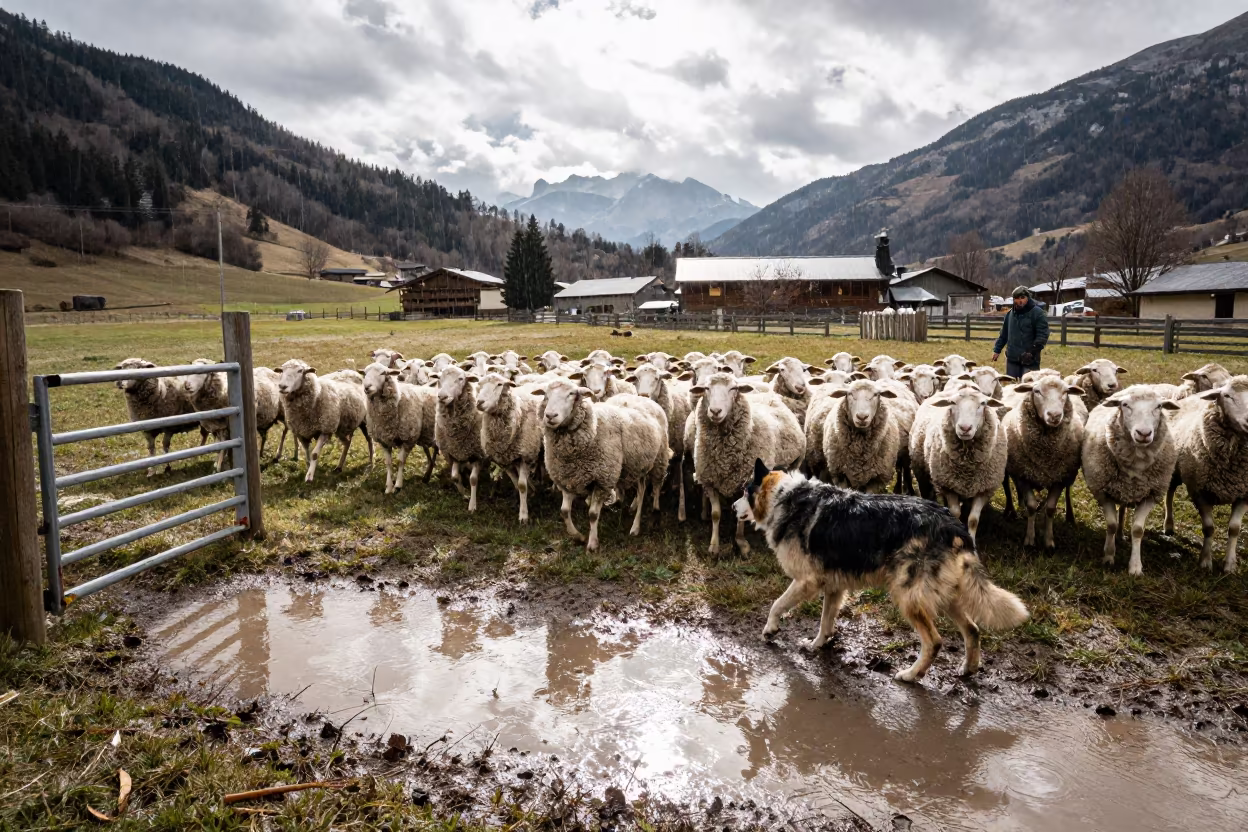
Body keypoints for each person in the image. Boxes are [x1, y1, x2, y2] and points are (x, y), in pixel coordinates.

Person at [992, 286, 1049, 379]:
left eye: (1023, 298)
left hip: (1030, 360)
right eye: (1017, 298)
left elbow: (1042, 335)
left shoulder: (1037, 313)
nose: (1020, 301)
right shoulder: (1009, 314)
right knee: (1012, 388)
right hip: (1012, 359)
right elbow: (1004, 334)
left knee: (1029, 388)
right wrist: (997, 350)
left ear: (1028, 298)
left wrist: (1031, 352)